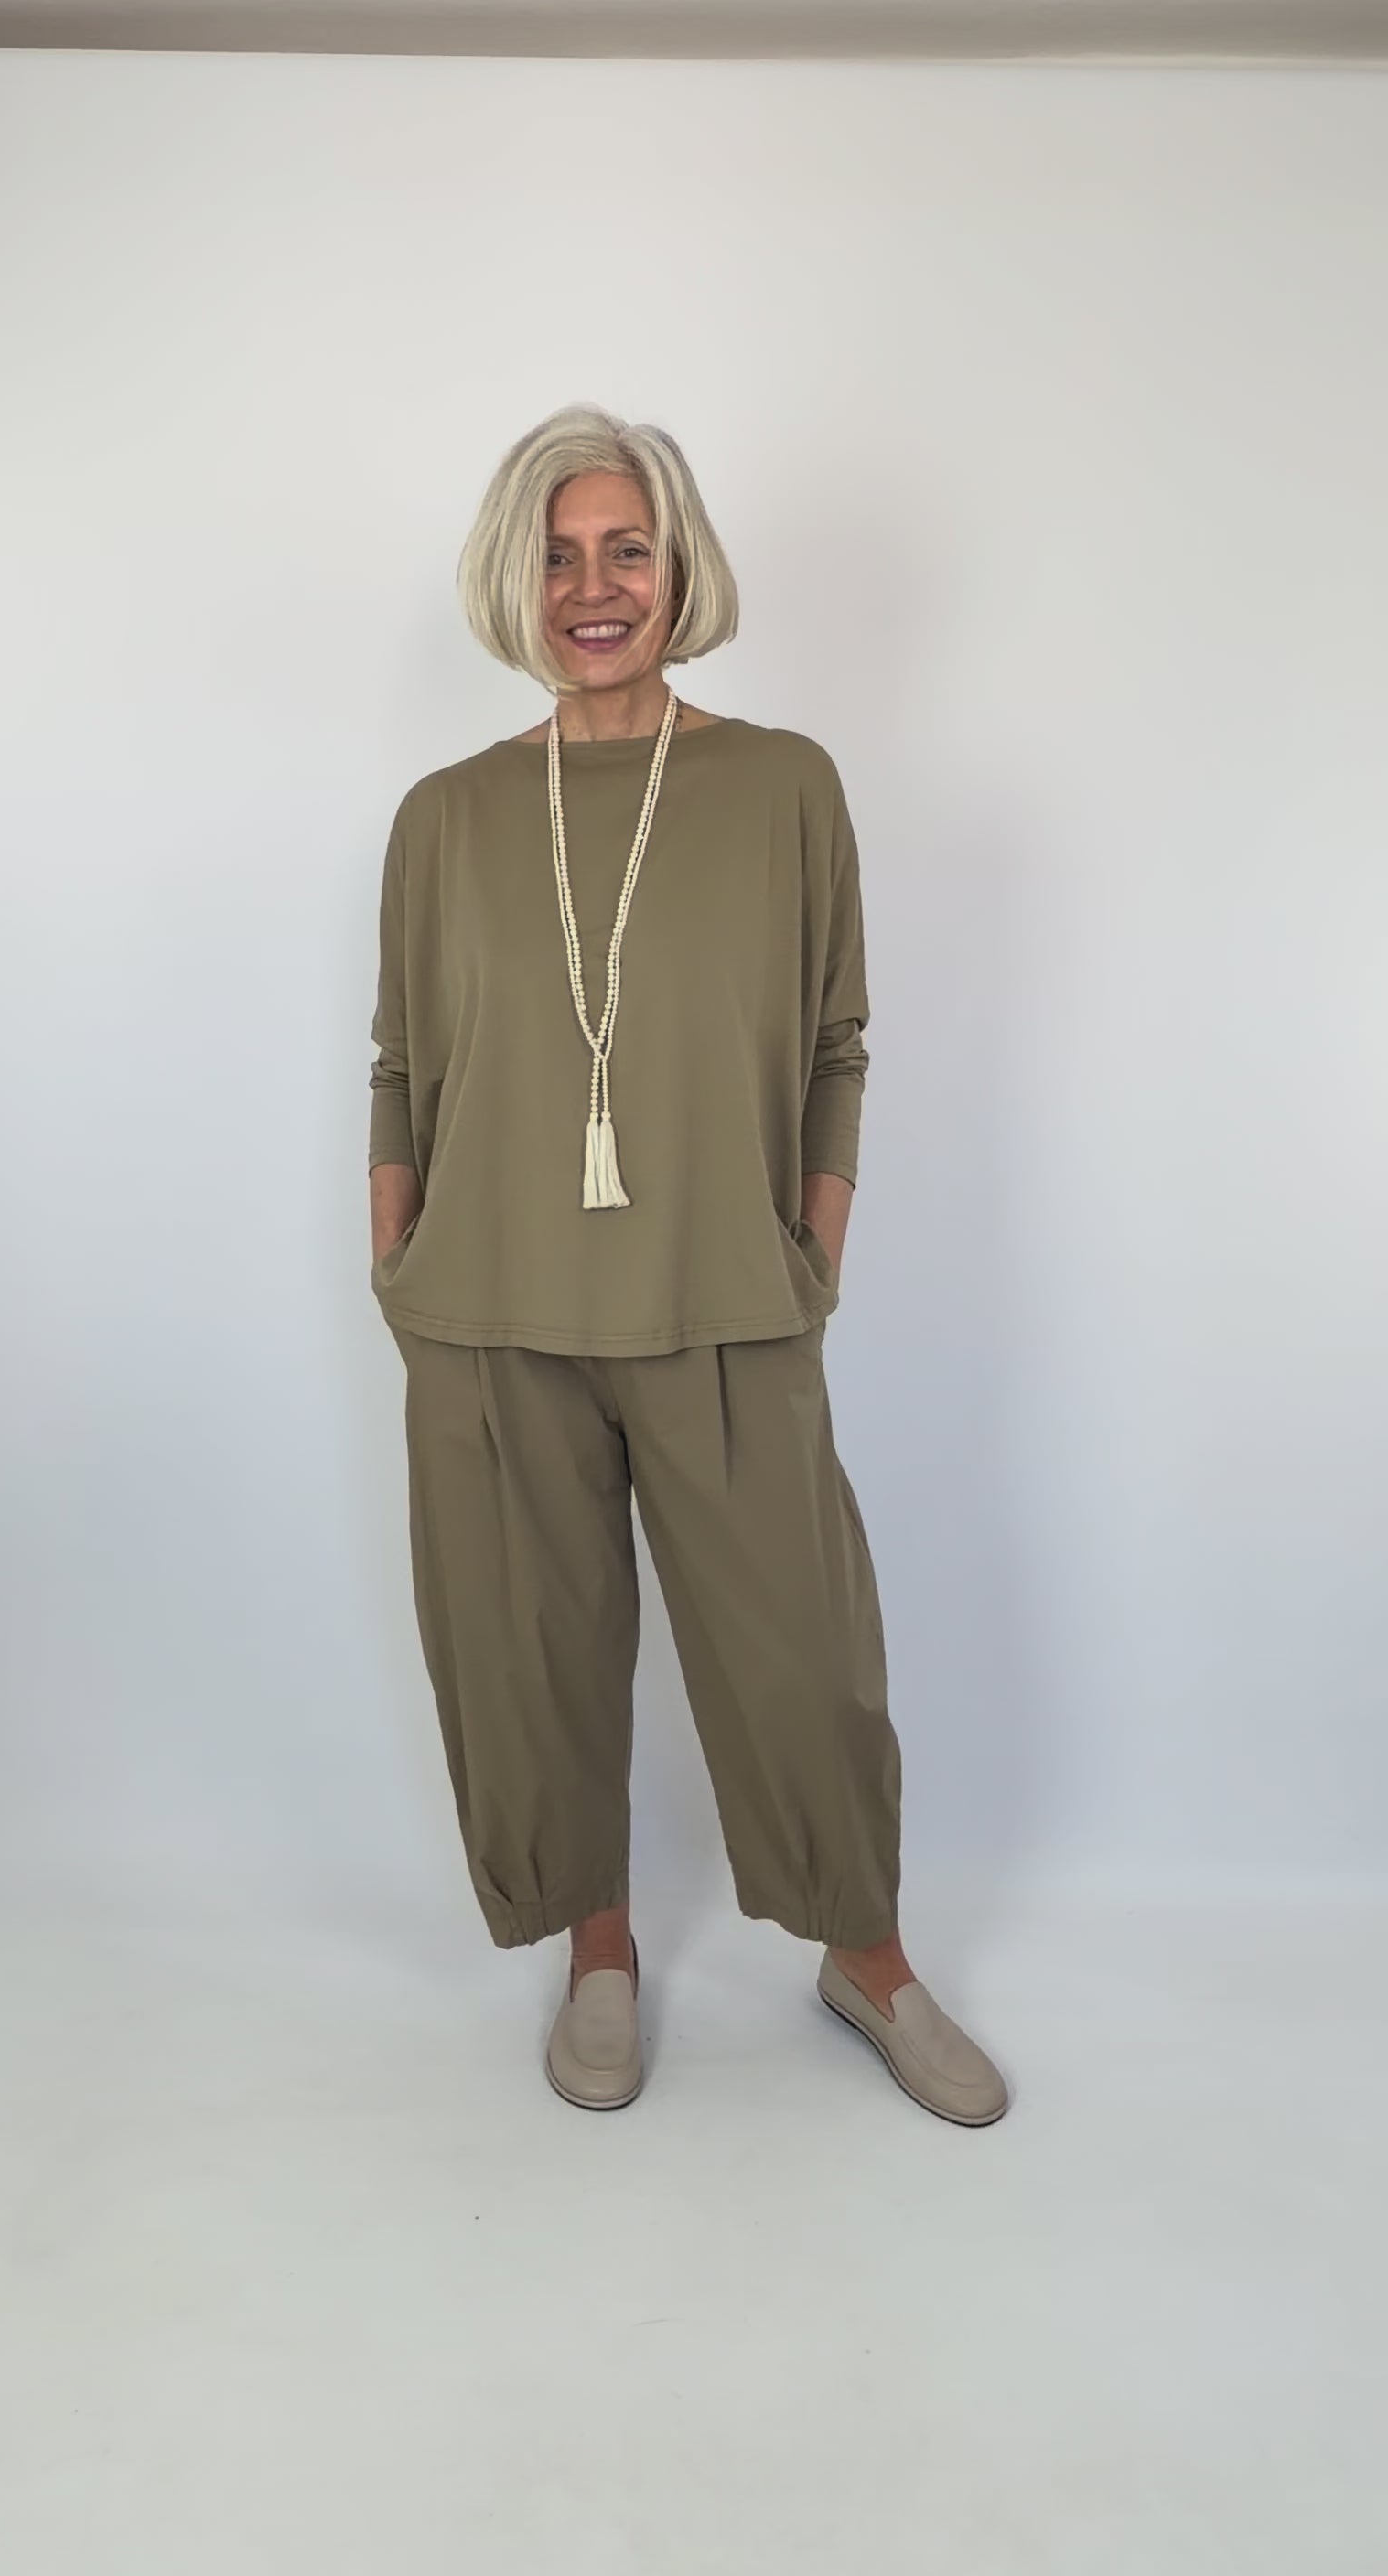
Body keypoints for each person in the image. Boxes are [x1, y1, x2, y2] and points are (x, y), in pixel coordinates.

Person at [367, 402, 1007, 2126]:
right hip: (490, 1312)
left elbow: (836, 1041)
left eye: (625, 549)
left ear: (678, 569)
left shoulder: (783, 786)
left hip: (727, 1300)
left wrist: (815, 1244)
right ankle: (600, 1949)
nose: (593, 588)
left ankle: (868, 1958)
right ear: (516, 582)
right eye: (558, 556)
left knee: (802, 1653)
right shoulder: (444, 816)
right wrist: (398, 1251)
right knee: (534, 1658)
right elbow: (402, 1066)